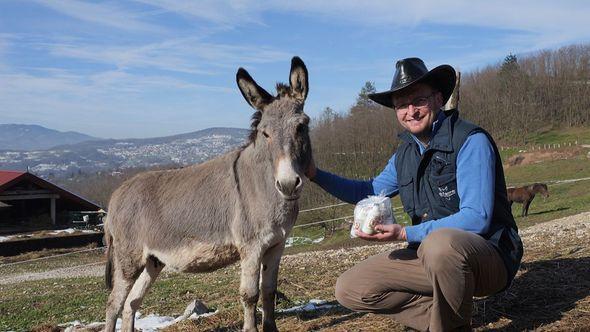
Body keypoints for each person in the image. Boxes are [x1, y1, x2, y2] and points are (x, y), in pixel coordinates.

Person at [305, 57, 523, 331]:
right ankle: (444, 318)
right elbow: (369, 191)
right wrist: (314, 174)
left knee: (439, 244)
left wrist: (405, 234)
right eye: (401, 105)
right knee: (350, 288)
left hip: (489, 256)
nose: (411, 111)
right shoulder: (404, 154)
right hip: (431, 257)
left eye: (419, 101)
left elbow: (476, 218)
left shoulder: (470, 141)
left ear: (438, 99)